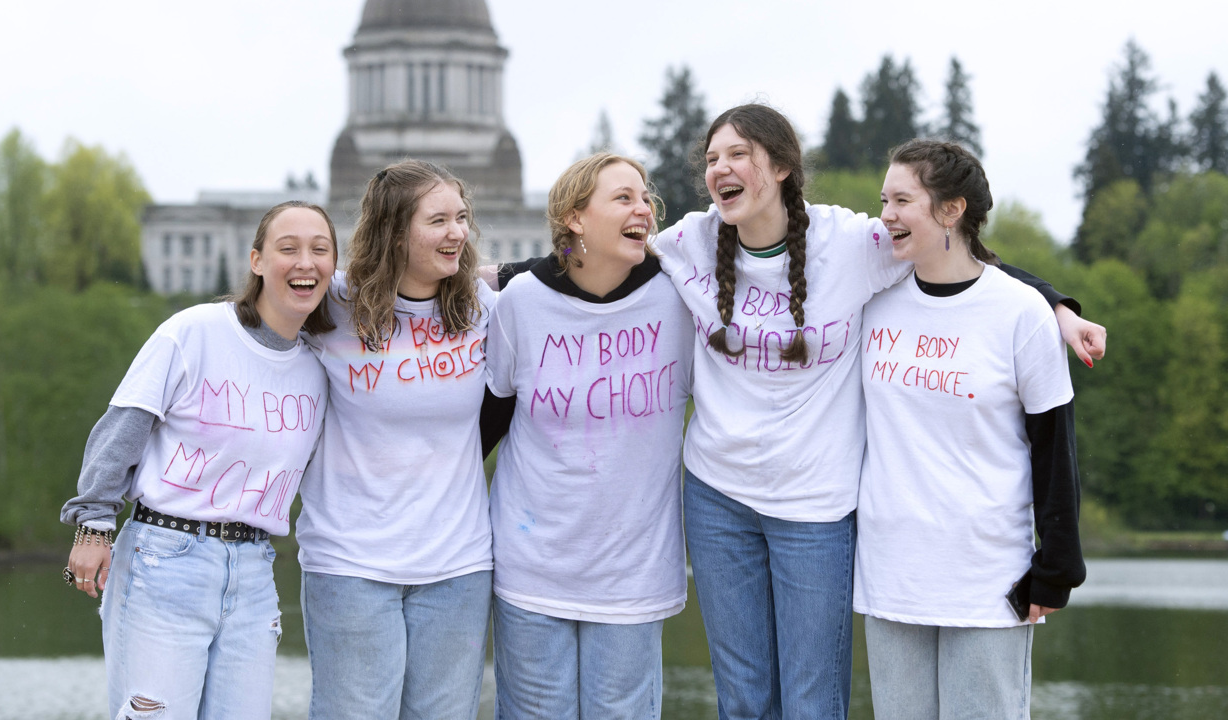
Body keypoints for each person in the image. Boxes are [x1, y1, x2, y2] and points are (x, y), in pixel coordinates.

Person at [645, 104, 1103, 720]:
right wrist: (491, 274)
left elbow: (968, 264)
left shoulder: (850, 246)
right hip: (727, 500)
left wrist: (1056, 307)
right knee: (743, 697)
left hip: (822, 505)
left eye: (738, 155)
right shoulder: (692, 242)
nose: (719, 169)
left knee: (812, 701)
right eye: (711, 159)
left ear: (781, 167)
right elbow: (600, 259)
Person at [59, 200, 337, 719]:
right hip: (166, 559)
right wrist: (93, 524)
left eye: (320, 250)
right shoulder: (194, 331)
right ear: (256, 260)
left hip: (254, 570)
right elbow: (124, 426)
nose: (305, 262)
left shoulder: (318, 369)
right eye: (288, 248)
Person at [855, 139, 1085, 718]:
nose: (886, 214)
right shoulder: (873, 299)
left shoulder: (1020, 312)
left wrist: (1057, 567)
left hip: (986, 576)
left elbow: (1054, 446)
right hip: (892, 574)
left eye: (902, 200)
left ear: (951, 209)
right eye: (884, 199)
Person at [486, 153, 693, 719]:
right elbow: (489, 419)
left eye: (645, 197)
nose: (643, 209)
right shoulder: (522, 302)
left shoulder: (678, 300)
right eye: (623, 197)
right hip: (531, 566)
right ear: (575, 217)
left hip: (633, 573)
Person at [296, 160, 495, 720]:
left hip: (457, 567)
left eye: (461, 217)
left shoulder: (483, 312)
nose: (457, 232)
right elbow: (254, 326)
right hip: (351, 564)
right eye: (438, 220)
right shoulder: (332, 307)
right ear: (393, 230)